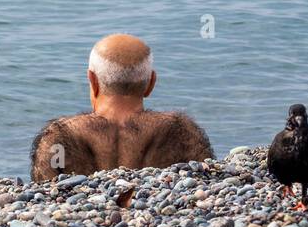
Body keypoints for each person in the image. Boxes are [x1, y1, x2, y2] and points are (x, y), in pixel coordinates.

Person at [30, 34, 212, 181]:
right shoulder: (181, 131)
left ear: (93, 81)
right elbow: (204, 185)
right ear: (151, 83)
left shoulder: (59, 136)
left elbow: (43, 195)